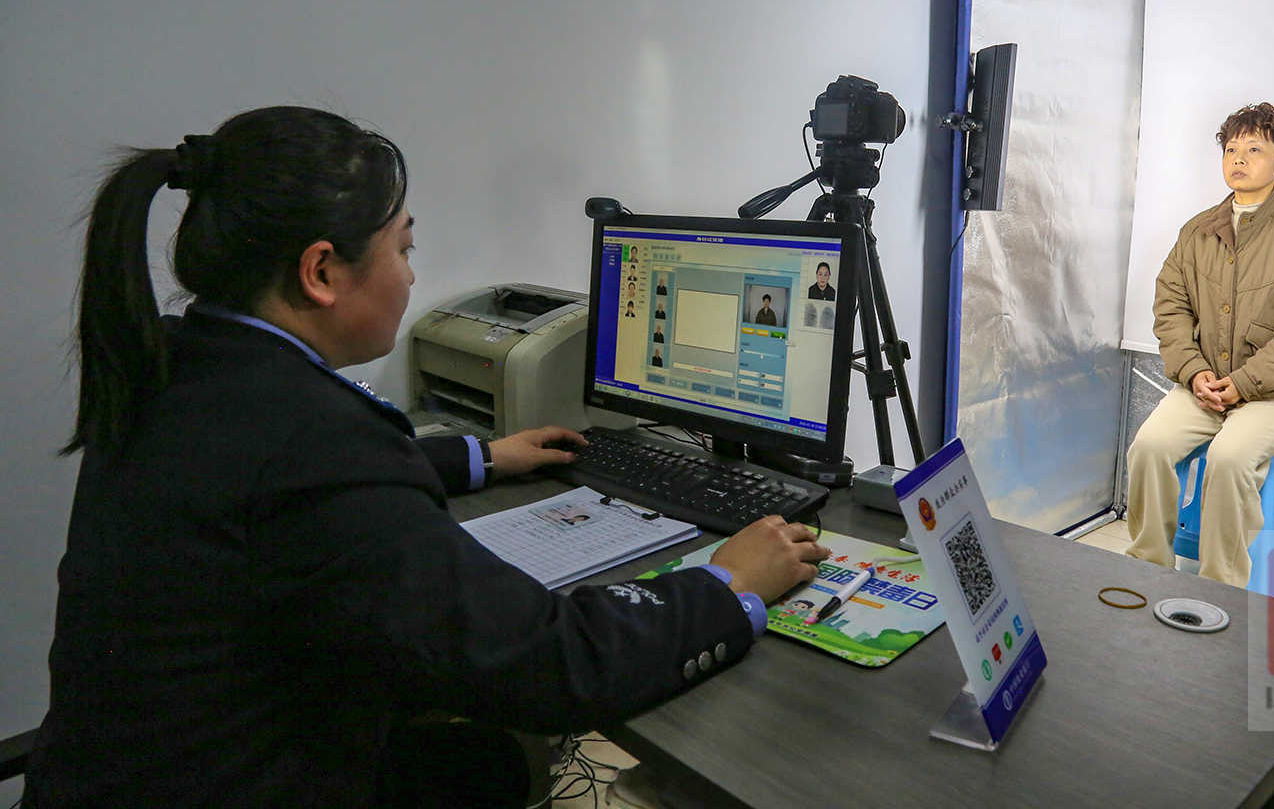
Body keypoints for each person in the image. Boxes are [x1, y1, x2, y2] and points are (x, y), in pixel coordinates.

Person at [24, 106, 829, 808]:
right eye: (403, 249)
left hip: (134, 774)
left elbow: (278, 499)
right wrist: (725, 586)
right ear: (321, 271)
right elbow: (550, 663)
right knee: (487, 757)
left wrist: (479, 458)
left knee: (479, 762)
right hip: (242, 784)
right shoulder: (311, 444)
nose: (411, 277)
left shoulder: (181, 368)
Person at [1124, 102, 1274, 588]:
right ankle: (1146, 569)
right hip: (1205, 386)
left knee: (1228, 459)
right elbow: (1170, 306)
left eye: (1254, 150)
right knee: (1149, 447)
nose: (1238, 159)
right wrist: (1193, 371)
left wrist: (1244, 383)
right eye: (1231, 149)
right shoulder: (1197, 230)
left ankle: (1220, 588)